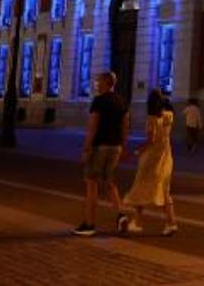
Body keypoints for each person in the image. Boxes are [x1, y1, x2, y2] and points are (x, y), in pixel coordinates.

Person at [73, 72, 128, 237]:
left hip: (99, 147)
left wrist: (86, 147)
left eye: (98, 81)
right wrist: (122, 146)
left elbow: (93, 126)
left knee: (91, 184)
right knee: (110, 182)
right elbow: (125, 126)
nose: (96, 84)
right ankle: (121, 214)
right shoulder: (121, 102)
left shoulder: (98, 101)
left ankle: (89, 224)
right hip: (115, 147)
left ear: (106, 83)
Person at [121, 89, 177, 236]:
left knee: (141, 185)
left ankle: (141, 221)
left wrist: (137, 151)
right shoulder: (169, 116)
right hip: (166, 156)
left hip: (152, 157)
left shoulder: (152, 119)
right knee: (163, 188)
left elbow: (151, 140)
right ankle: (169, 222)